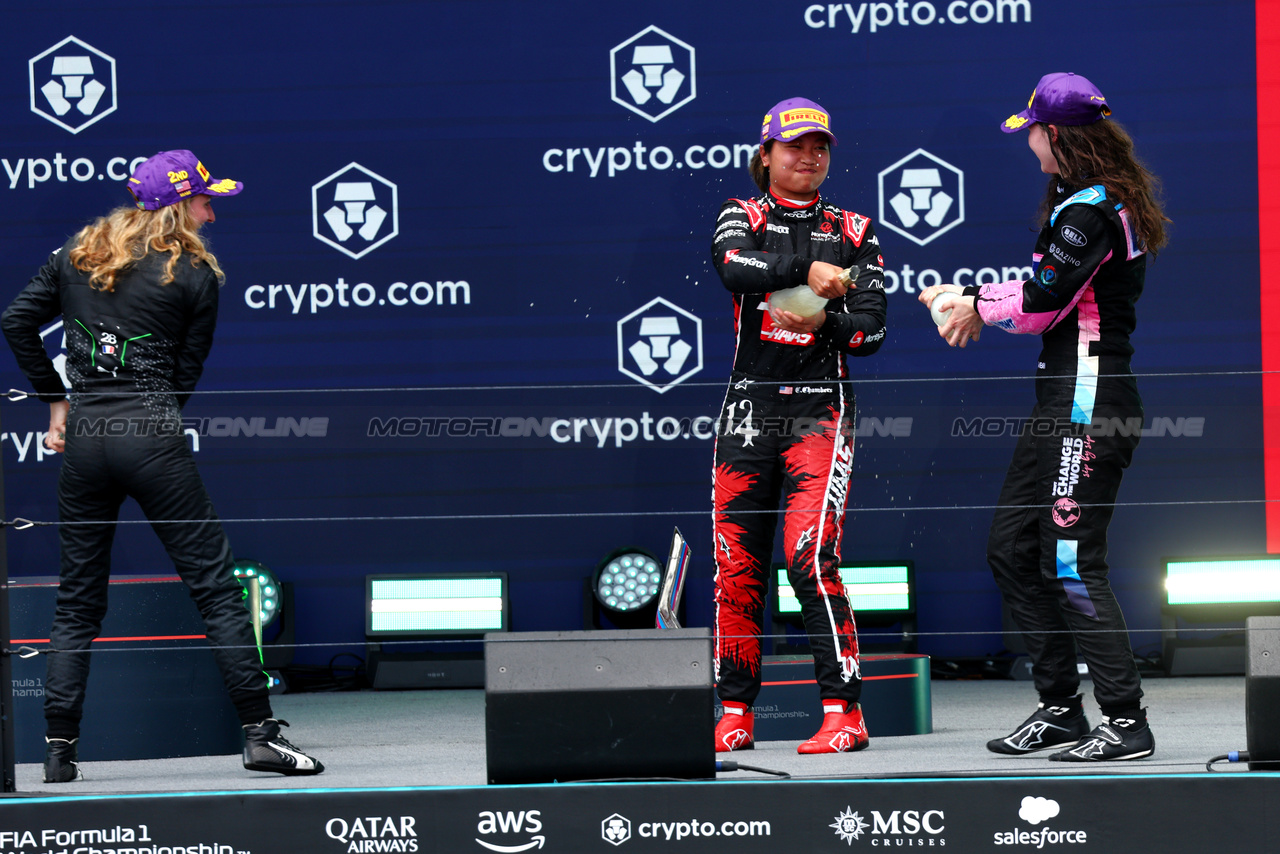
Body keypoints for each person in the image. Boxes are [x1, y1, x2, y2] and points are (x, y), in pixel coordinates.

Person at [2, 150, 325, 781]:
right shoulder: (199, 275)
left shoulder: (80, 254)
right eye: (206, 200)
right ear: (176, 206)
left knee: (76, 603)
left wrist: (58, 402)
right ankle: (261, 738)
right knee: (215, 588)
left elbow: (16, 323)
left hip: (89, 438)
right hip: (150, 432)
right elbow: (184, 377)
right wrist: (145, 422)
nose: (212, 212)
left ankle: (58, 753)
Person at [918, 73, 1168, 761]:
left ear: (1053, 134)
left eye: (1031, 129)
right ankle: (1060, 709)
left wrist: (973, 304)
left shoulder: (1090, 209)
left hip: (1088, 403)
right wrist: (972, 297)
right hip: (1065, 403)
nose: (1026, 142)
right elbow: (1040, 293)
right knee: (1012, 549)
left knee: (1069, 560)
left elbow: (1037, 307)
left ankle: (1125, 721)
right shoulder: (1084, 200)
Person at [709, 98, 888, 754]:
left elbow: (872, 330)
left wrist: (829, 322)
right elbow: (731, 265)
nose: (808, 157)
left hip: (820, 406)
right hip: (749, 409)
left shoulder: (856, 228)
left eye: (819, 147)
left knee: (808, 555)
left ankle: (845, 712)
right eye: (793, 147)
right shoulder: (742, 215)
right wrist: (804, 273)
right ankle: (734, 711)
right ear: (766, 156)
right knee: (737, 563)